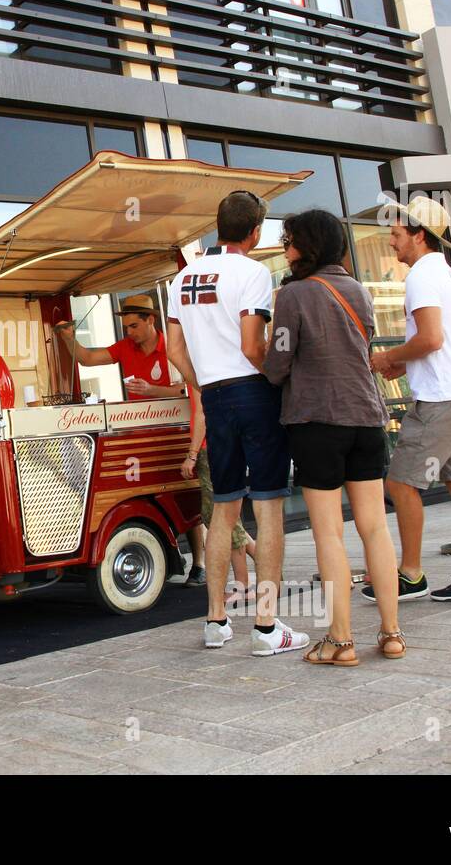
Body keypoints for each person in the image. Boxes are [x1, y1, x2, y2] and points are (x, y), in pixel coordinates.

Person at [166, 190, 309, 656]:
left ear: (218, 225)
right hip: (252, 391)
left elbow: (173, 350)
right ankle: (267, 628)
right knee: (267, 508)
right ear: (256, 231)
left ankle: (215, 621)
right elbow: (253, 346)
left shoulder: (181, 279)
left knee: (223, 511)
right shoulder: (252, 273)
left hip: (214, 395)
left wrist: (201, 383)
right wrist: (274, 378)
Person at [263, 210, 404, 663]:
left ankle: (341, 641)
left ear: (308, 245)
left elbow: (278, 363)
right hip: (367, 419)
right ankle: (392, 632)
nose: (286, 248)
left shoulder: (294, 294)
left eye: (289, 240)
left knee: (329, 534)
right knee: (376, 529)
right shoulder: (359, 291)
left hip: (318, 422)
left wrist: (263, 356)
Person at [369, 196, 451, 602]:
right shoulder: (447, 275)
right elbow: (443, 344)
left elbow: (430, 338)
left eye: (396, 234)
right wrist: (405, 366)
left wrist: (388, 357)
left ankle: (410, 575)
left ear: (418, 235)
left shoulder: (422, 277)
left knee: (400, 482)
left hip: (442, 400)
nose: (391, 243)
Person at [181, 389, 259, 601]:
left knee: (221, 517)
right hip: (223, 443)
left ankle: (243, 586)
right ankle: (265, 564)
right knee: (225, 516)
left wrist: (192, 454)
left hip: (210, 448)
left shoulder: (198, 367)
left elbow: (201, 413)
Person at [54, 294, 184, 401]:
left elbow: (185, 391)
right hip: (140, 425)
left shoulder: (173, 346)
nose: (129, 332)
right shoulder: (125, 346)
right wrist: (69, 338)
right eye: (126, 327)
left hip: (175, 426)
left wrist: (151, 390)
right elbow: (87, 359)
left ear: (150, 320)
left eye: (134, 326)